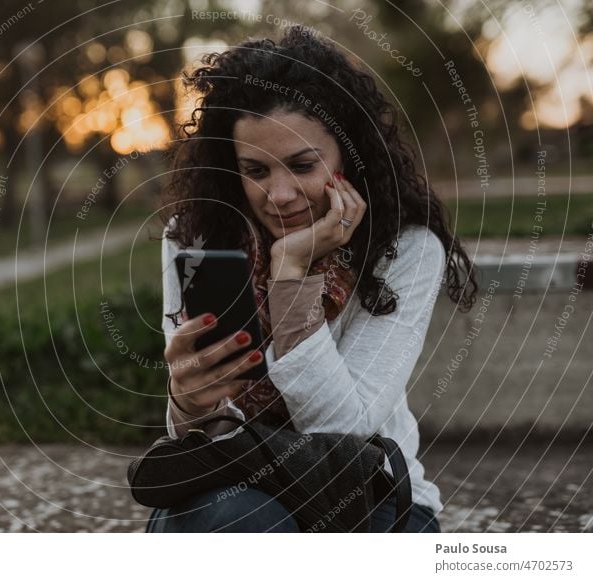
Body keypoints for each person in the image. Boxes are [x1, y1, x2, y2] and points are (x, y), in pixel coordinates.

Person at [147, 25, 477, 533]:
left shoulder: (405, 248)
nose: (279, 194)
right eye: (255, 170)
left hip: (369, 490)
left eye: (303, 165)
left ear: (349, 155)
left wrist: (292, 275)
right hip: (236, 485)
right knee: (235, 521)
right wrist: (186, 399)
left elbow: (344, 433)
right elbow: (198, 434)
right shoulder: (194, 236)